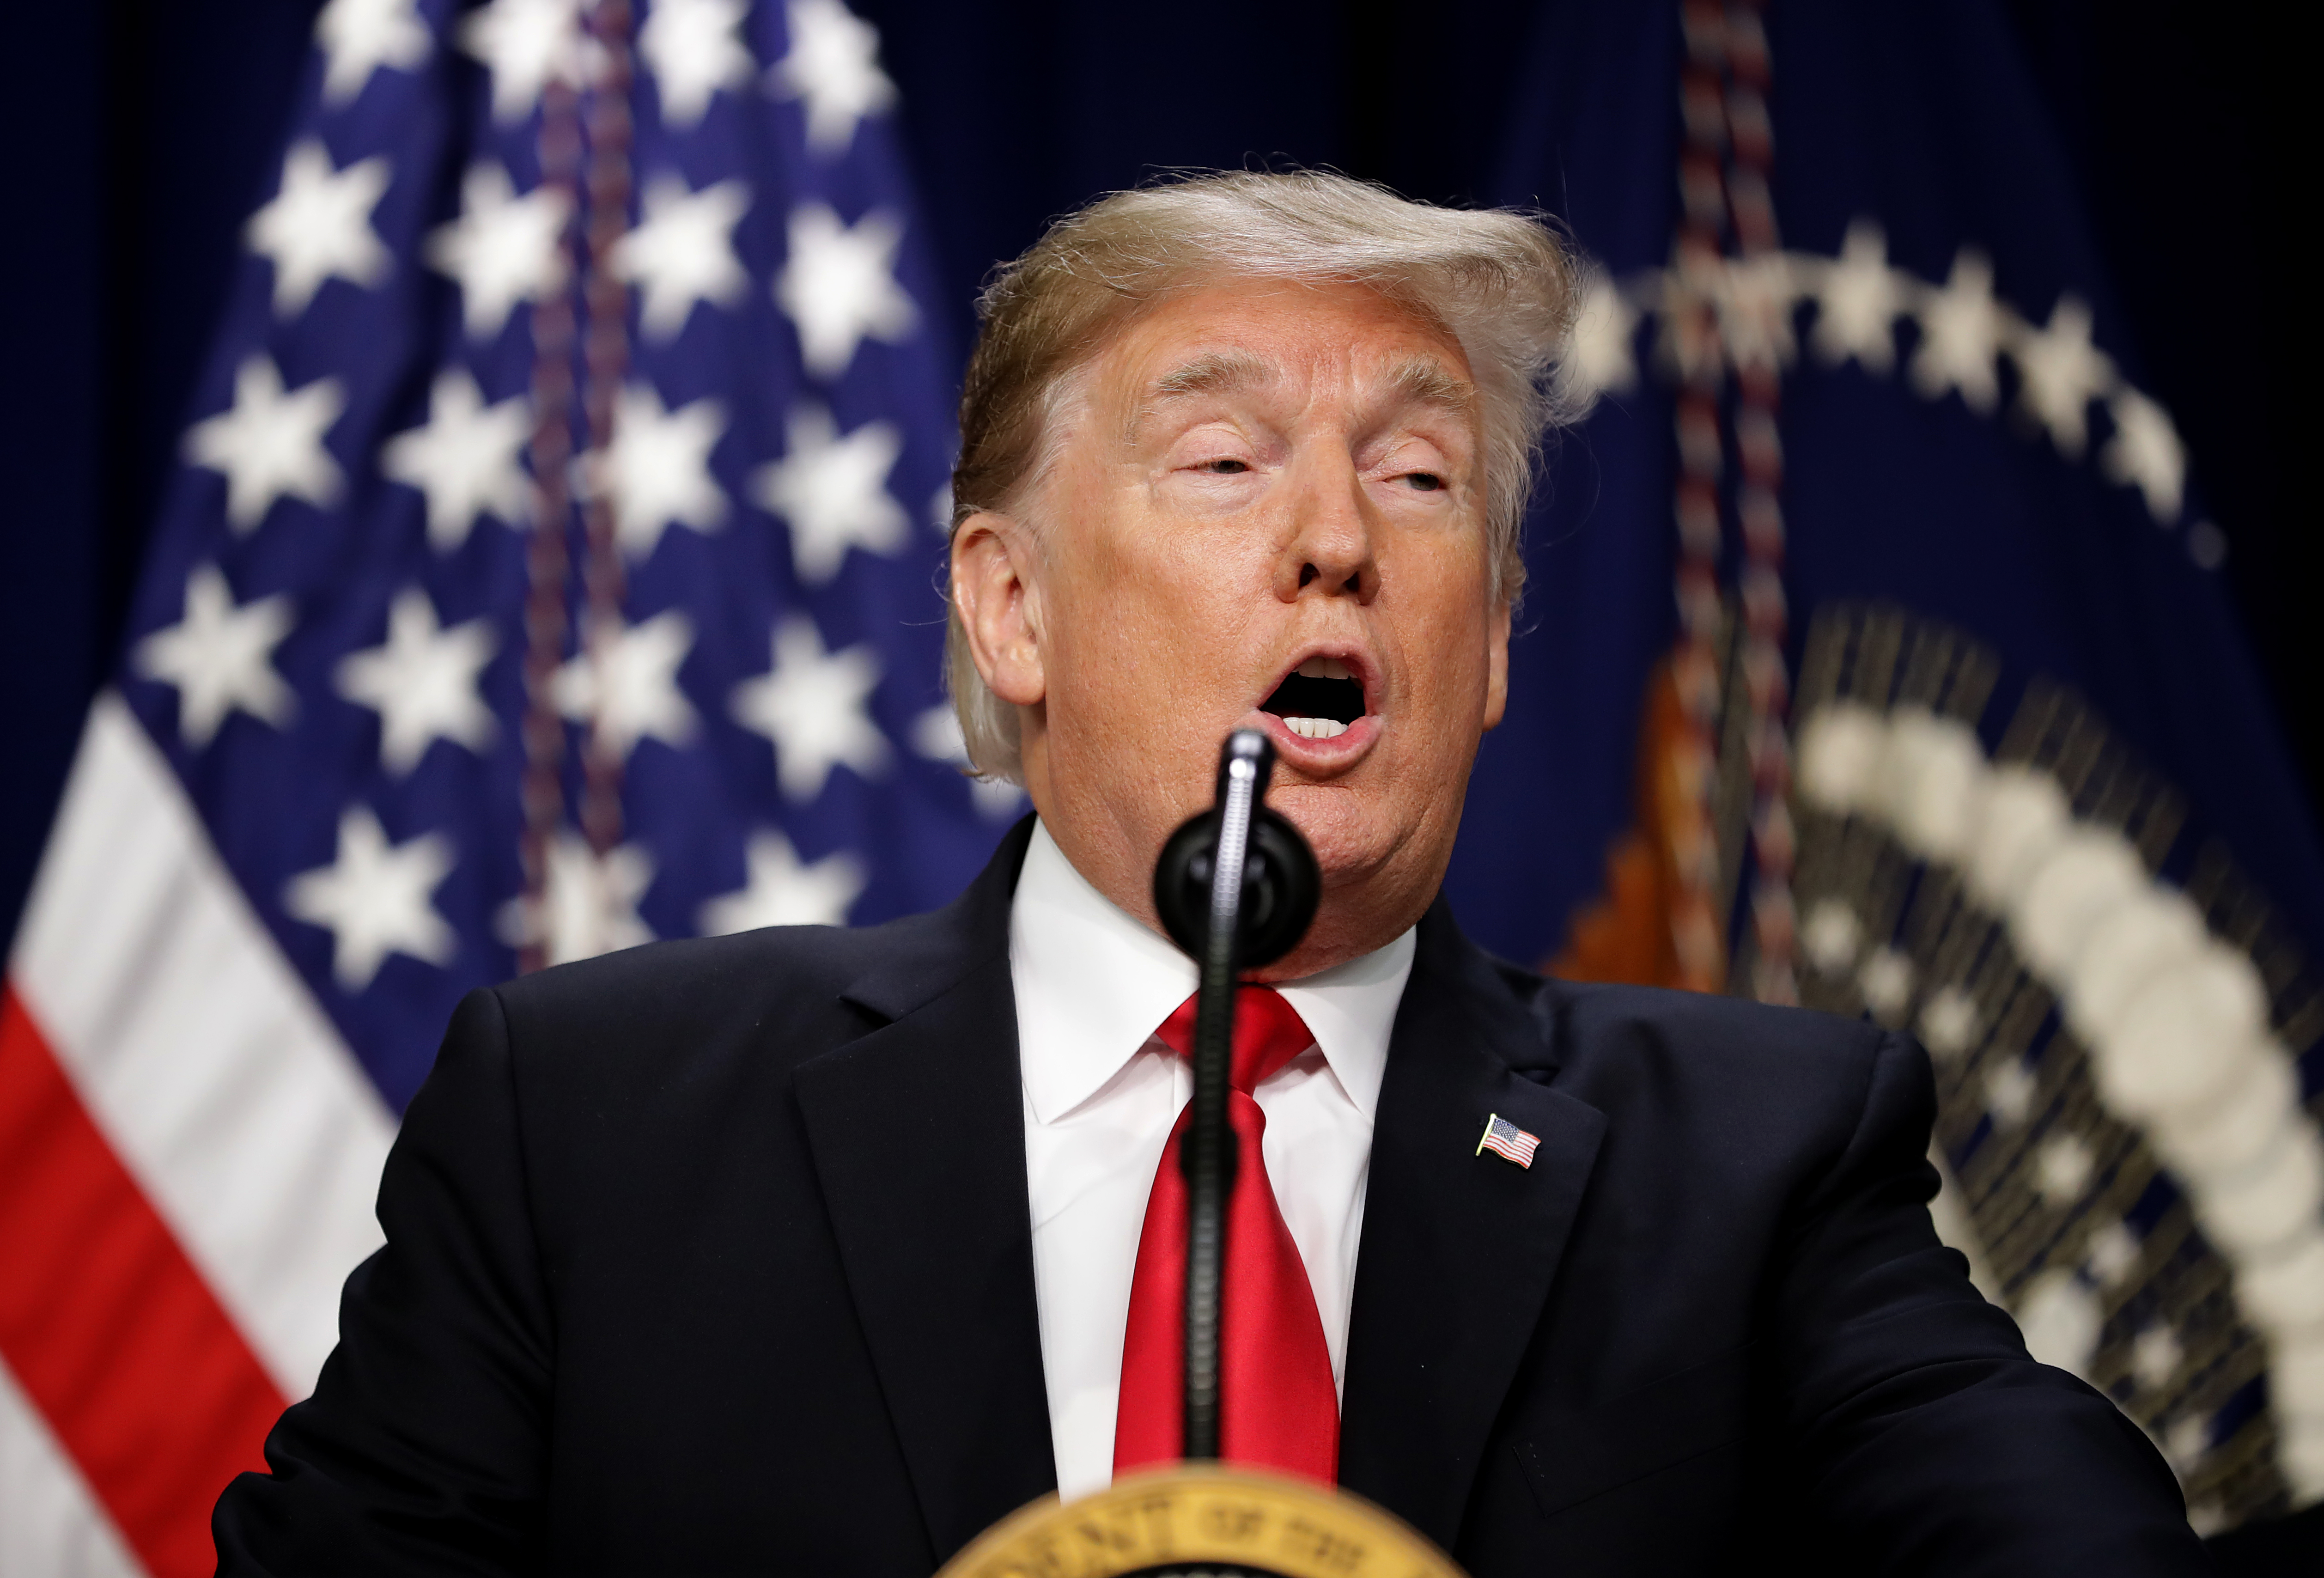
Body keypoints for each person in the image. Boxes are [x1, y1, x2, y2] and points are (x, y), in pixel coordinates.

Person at [213, 171, 2208, 1576]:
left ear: (1499, 637)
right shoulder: (597, 1127)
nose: (1337, 535)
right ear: (1011, 609)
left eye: (1420, 479)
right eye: (1228, 460)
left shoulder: (1757, 1162)